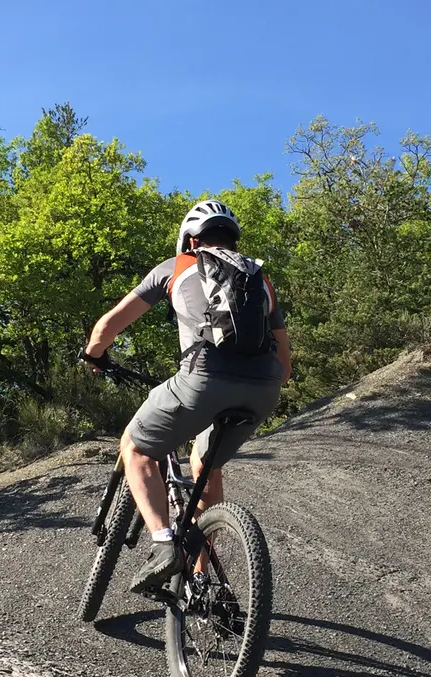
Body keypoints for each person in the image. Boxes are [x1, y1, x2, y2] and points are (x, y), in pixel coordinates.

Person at [80, 199, 291, 594]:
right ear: (232, 238)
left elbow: (109, 324)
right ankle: (200, 574)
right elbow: (285, 362)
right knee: (205, 464)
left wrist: (94, 354)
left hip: (203, 376)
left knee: (136, 446)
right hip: (264, 389)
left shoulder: (176, 266)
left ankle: (163, 546)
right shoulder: (260, 280)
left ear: (191, 240)